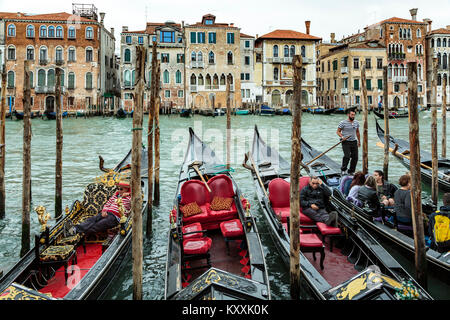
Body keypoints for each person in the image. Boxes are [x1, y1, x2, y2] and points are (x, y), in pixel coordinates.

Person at [67, 180, 131, 236]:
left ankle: (75, 231)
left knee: (99, 225)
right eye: (118, 188)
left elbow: (135, 200)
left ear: (127, 190)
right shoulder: (116, 195)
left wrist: (129, 194)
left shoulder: (129, 198)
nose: (119, 190)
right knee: (92, 219)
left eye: (121, 189)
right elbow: (108, 204)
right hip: (107, 213)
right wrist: (104, 211)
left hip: (115, 218)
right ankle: (75, 229)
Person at [336, 109, 360, 175]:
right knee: (347, 156)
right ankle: (343, 169)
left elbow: (357, 132)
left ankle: (351, 171)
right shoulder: (342, 123)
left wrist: (359, 141)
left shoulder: (356, 122)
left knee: (355, 157)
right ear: (348, 115)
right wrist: (342, 137)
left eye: (354, 115)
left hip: (354, 141)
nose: (353, 116)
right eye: (352, 115)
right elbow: (338, 131)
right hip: (345, 141)